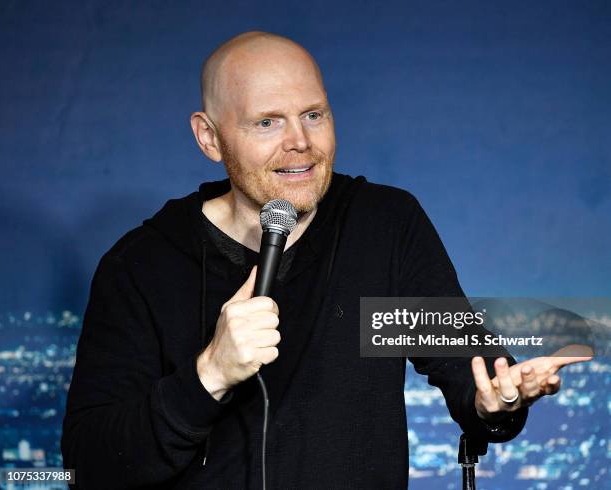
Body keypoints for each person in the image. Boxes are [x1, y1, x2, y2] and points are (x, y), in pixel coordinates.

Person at [61, 31, 591, 489]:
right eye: (267, 122)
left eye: (313, 115)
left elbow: (469, 374)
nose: (301, 143)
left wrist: (496, 404)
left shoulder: (383, 227)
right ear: (210, 138)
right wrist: (210, 375)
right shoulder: (142, 266)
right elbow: (91, 465)